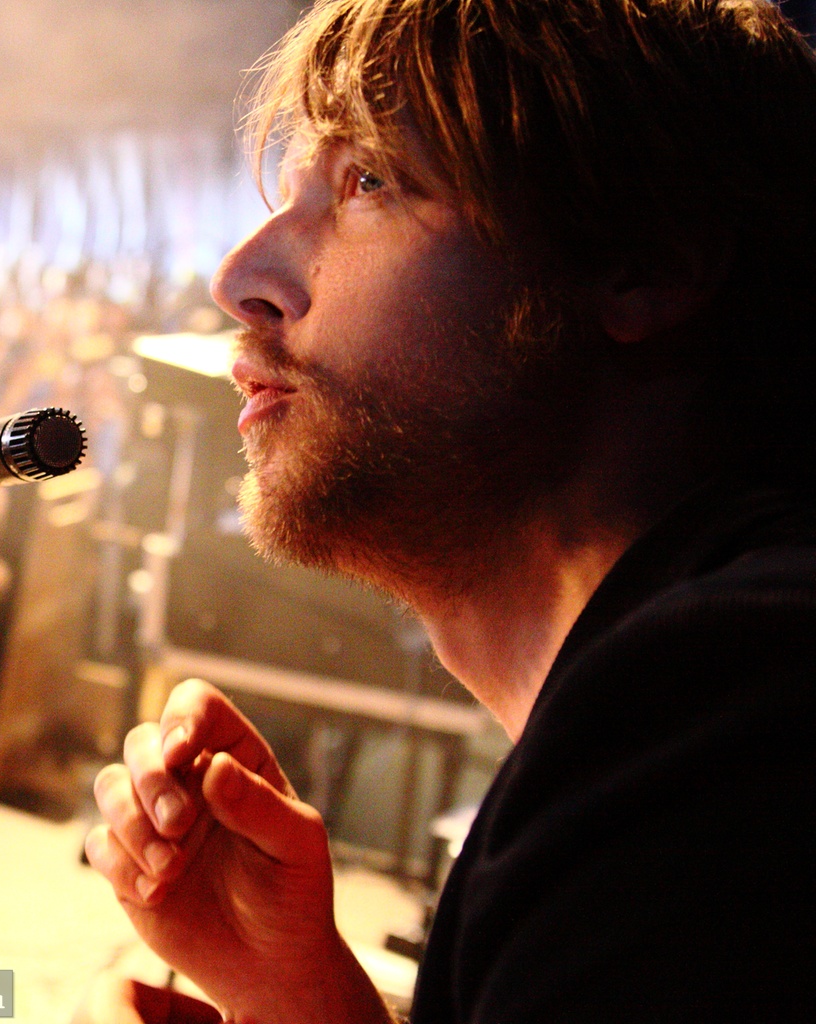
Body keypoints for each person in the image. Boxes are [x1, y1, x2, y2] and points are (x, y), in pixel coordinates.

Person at [82, 0, 816, 1020]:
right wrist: (303, 999)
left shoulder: (722, 716)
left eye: (367, 180)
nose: (239, 279)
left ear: (645, 263)